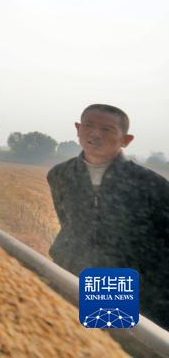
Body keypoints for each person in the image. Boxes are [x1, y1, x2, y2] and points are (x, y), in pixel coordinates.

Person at [47, 104, 169, 328]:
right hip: (75, 272)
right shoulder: (59, 175)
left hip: (132, 282)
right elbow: (68, 222)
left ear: (126, 140)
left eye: (106, 129)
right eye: (89, 126)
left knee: (121, 344)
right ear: (77, 128)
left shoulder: (151, 185)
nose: (95, 133)